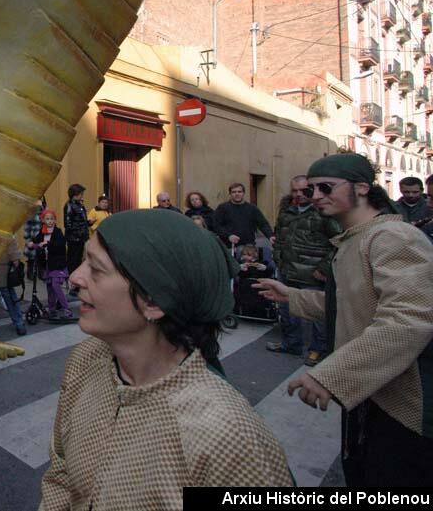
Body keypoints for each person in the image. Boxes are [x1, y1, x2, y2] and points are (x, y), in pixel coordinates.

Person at [39, 210, 291, 510]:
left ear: (155, 300)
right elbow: (60, 475)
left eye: (95, 268)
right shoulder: (86, 359)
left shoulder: (230, 436)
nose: (75, 277)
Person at [255, 153, 433, 487]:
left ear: (363, 188)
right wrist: (292, 296)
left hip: (402, 405)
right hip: (369, 394)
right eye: (311, 190)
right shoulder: (357, 237)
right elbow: (356, 303)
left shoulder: (392, 238)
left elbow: (409, 320)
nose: (316, 196)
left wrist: (331, 375)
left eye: (326, 187)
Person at [267, 175, 340, 366]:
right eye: (294, 190)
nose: (298, 194)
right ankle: (291, 344)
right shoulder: (286, 212)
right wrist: (277, 254)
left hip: (313, 274)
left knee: (317, 314)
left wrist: (324, 267)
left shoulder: (324, 213)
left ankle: (317, 350)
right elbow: (279, 235)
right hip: (287, 269)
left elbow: (340, 241)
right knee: (287, 310)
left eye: (303, 190)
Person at [29, 209, 72, 320]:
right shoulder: (42, 232)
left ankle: (66, 308)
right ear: (43, 220)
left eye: (52, 219)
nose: (50, 221)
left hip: (58, 263)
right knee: (49, 286)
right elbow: (36, 240)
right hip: (48, 265)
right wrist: (32, 244)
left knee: (55, 285)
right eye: (47, 219)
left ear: (55, 220)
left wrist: (47, 243)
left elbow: (60, 244)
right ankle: (52, 309)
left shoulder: (57, 231)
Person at [213, 182, 273, 248]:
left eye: (239, 192)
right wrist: (228, 235)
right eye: (234, 192)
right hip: (229, 246)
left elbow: (263, 224)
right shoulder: (223, 208)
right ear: (230, 194)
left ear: (243, 193)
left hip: (248, 246)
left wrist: (270, 235)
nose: (237, 194)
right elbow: (216, 226)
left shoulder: (252, 208)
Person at [62, 184, 91, 275]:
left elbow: (80, 220)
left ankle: (76, 280)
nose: (82, 195)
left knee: (78, 259)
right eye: (81, 193)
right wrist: (79, 232)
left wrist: (88, 223)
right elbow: (68, 224)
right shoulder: (69, 205)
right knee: (73, 260)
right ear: (75, 194)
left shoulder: (79, 204)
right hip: (74, 238)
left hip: (81, 237)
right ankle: (71, 280)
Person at [22, 198, 46, 299]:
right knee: (31, 257)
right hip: (33, 237)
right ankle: (30, 273)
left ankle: (41, 273)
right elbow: (27, 226)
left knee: (41, 256)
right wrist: (27, 239)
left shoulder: (44, 213)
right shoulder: (30, 214)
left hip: (42, 237)